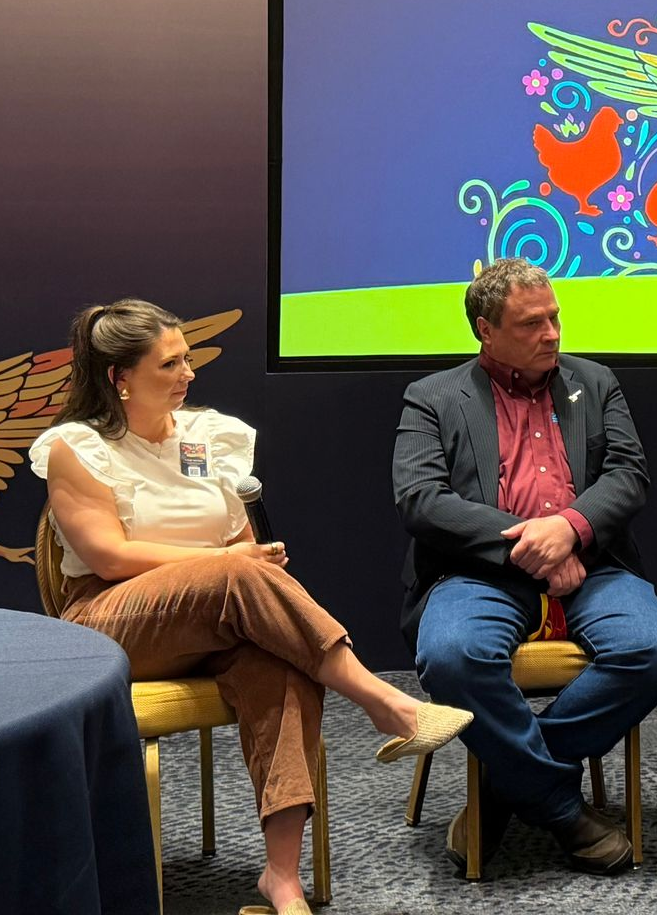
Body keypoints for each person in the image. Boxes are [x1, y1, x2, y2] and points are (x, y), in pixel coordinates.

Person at [30, 299, 472, 915]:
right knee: (238, 575)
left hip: (216, 612)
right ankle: (385, 701)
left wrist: (251, 561)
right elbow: (107, 556)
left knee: (283, 664)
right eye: (170, 364)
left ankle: (281, 880)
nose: (188, 373)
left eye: (188, 359)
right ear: (119, 378)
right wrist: (230, 566)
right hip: (109, 619)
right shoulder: (77, 447)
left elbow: (238, 546)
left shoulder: (212, 436)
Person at [393, 258, 657, 876]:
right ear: (485, 329)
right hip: (480, 572)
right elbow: (421, 498)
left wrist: (571, 529)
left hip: (593, 564)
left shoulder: (595, 382)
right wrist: (533, 544)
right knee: (451, 657)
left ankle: (505, 784)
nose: (552, 333)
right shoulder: (433, 397)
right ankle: (558, 805)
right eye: (532, 323)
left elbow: (629, 476)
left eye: (555, 317)